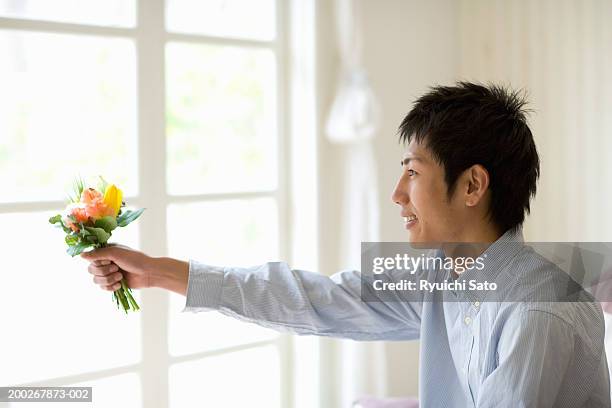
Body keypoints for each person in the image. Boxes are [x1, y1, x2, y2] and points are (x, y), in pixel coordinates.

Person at [82, 82, 610, 407]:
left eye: (413, 173)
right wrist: (158, 273)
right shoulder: (444, 273)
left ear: (472, 185)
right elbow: (315, 299)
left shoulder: (537, 311)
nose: (397, 194)